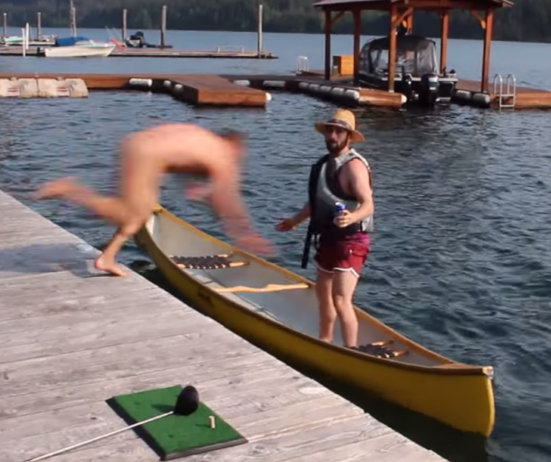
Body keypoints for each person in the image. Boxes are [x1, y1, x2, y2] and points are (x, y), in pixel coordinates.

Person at [35, 122, 273, 277]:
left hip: (138, 144)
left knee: (142, 209)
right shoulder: (224, 155)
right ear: (235, 146)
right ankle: (71, 190)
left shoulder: (205, 139)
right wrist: (245, 234)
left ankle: (107, 258)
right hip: (147, 154)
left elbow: (184, 165)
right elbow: (227, 200)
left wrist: (199, 191)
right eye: (242, 153)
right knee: (130, 212)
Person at [276, 109, 374, 347]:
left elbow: (369, 204)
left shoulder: (354, 167)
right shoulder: (323, 164)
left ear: (348, 137)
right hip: (329, 237)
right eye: (329, 130)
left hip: (352, 240)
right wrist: (295, 221)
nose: (332, 135)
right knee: (323, 295)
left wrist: (351, 218)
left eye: (338, 132)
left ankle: (352, 351)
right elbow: (317, 201)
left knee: (341, 299)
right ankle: (325, 341)